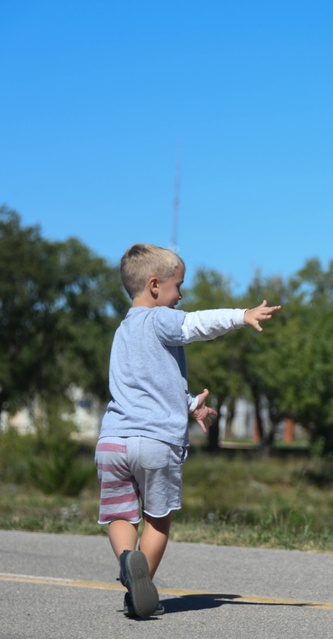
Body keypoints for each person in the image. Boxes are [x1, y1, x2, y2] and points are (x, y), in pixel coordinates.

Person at [95, 243, 281, 618]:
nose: (181, 295)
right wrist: (240, 315)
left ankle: (128, 562)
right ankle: (141, 583)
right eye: (178, 286)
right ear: (153, 286)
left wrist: (192, 404)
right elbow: (195, 325)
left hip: (112, 441)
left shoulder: (122, 332)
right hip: (155, 442)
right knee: (157, 519)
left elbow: (147, 385)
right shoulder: (161, 319)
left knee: (119, 516)